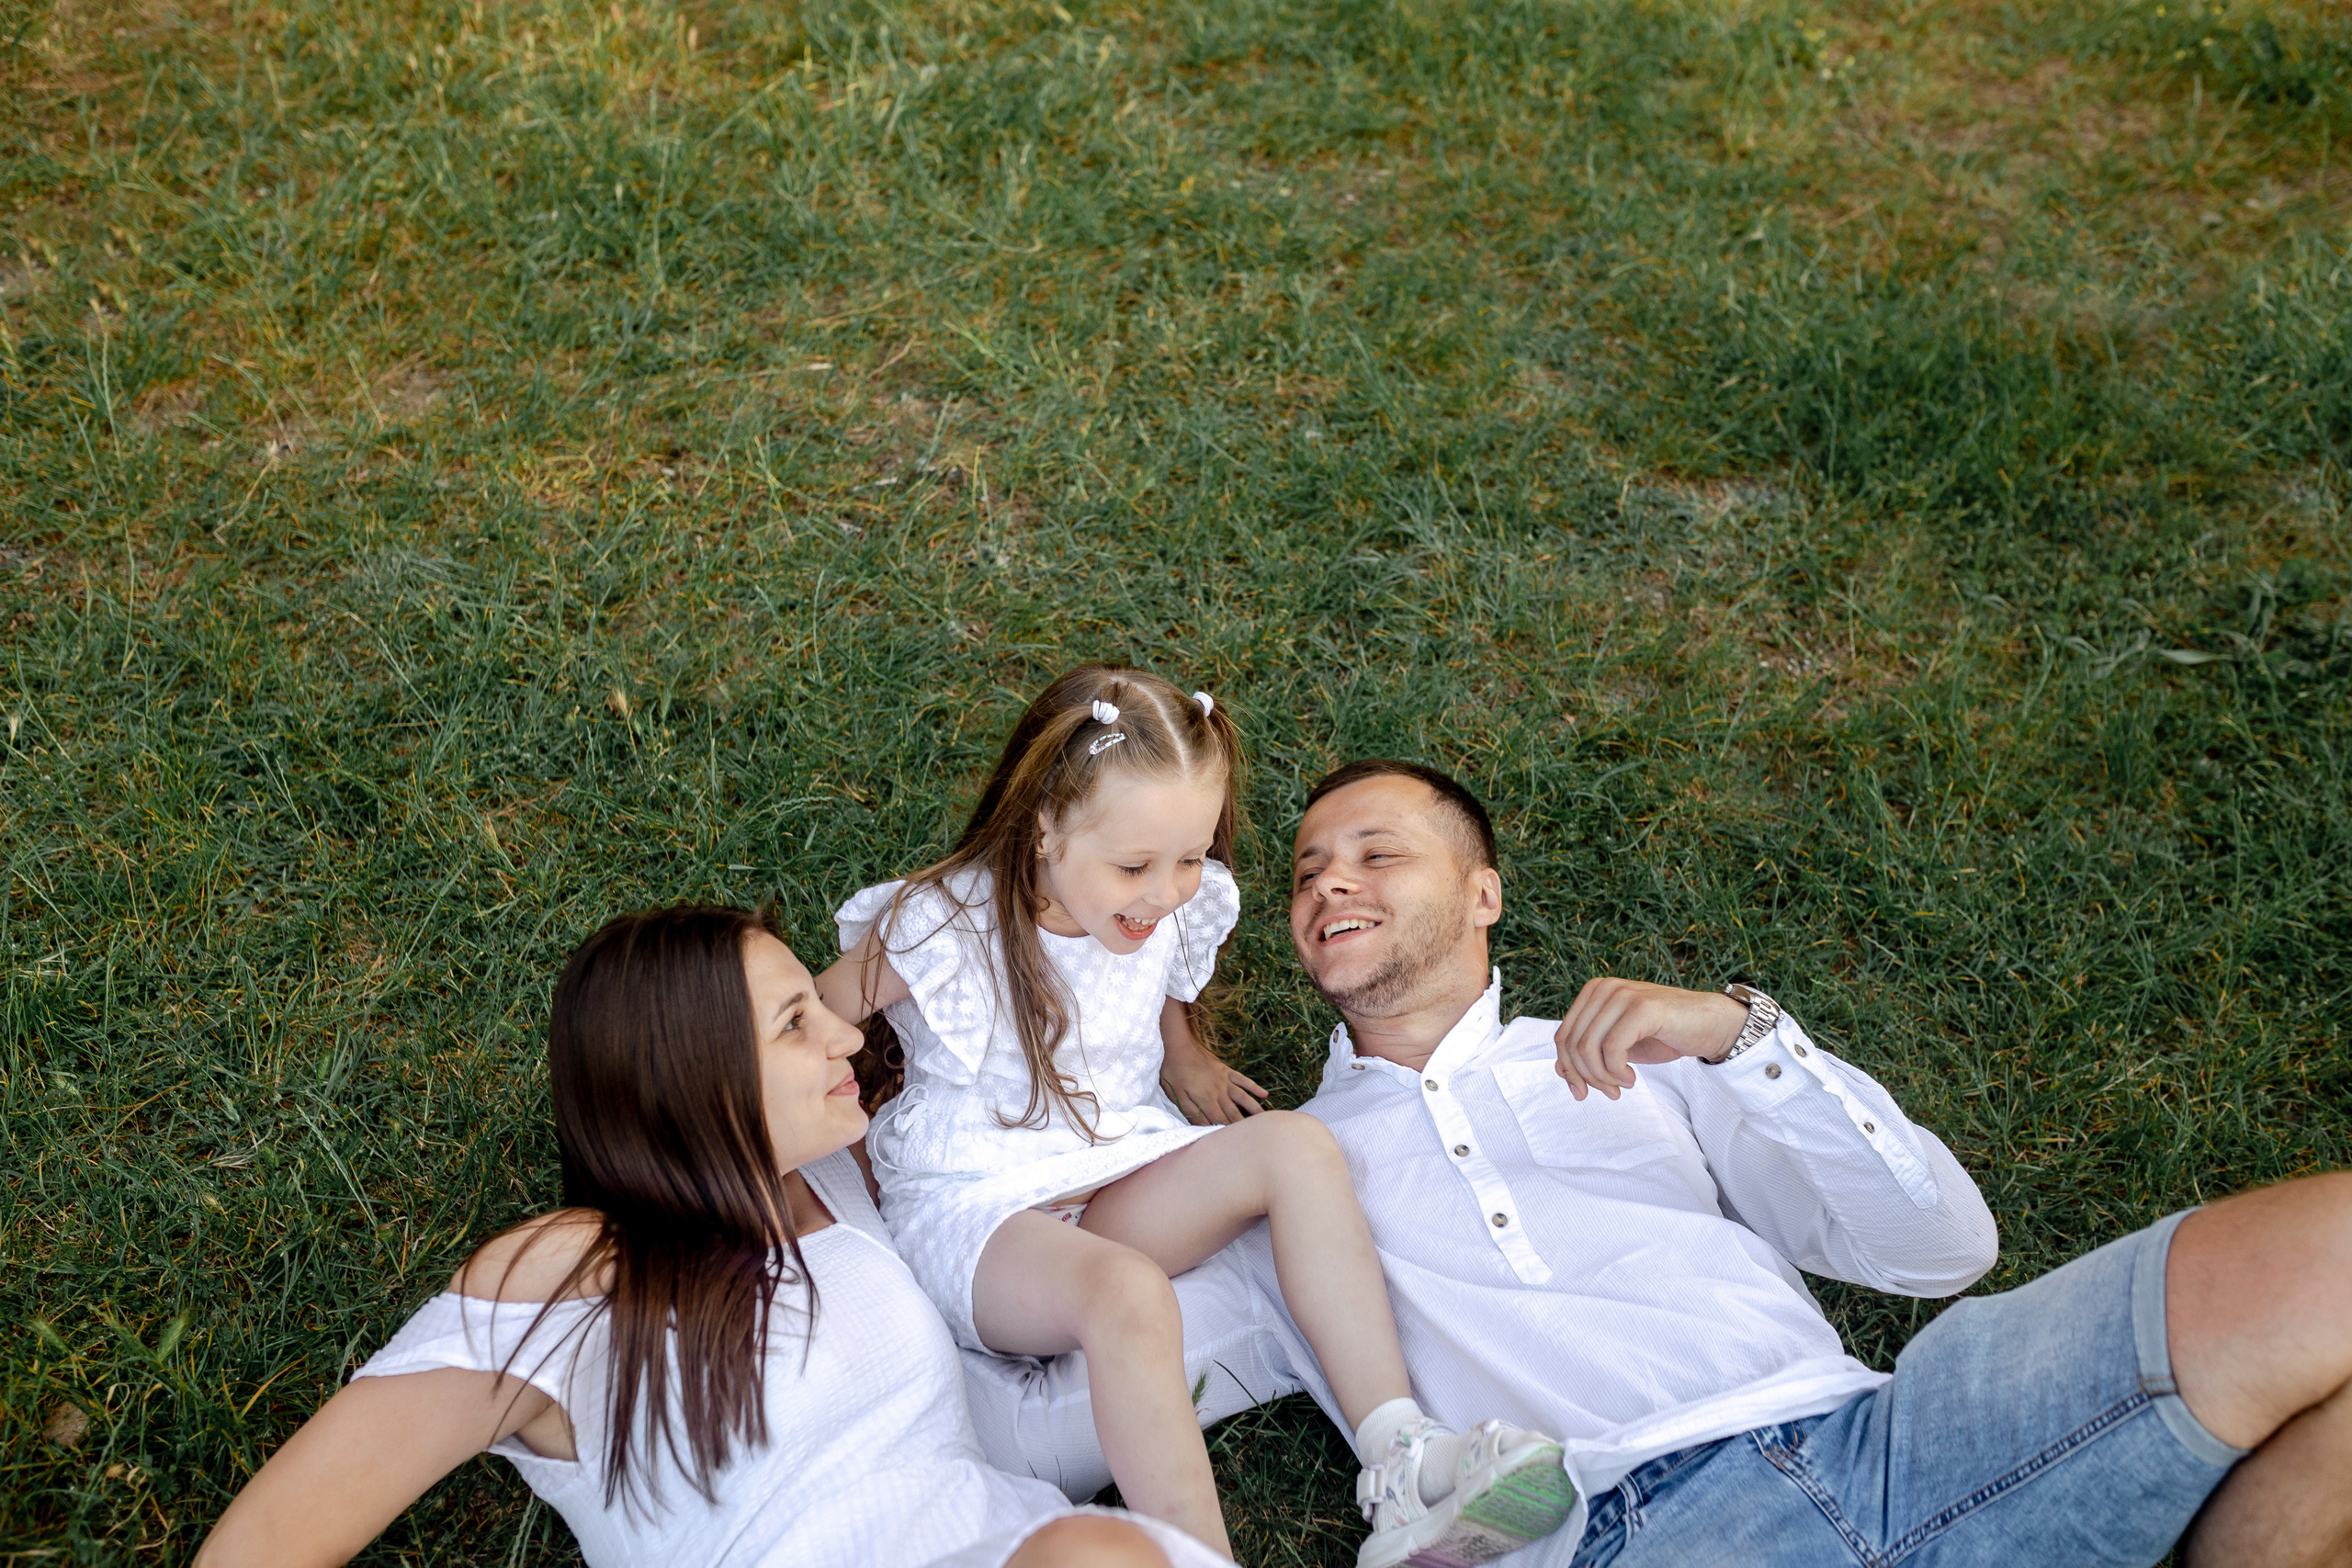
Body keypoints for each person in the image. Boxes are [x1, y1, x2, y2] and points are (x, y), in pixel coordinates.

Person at [973, 759, 2352, 1568]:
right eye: (1305, 872)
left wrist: (1746, 1035)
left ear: (1485, 893)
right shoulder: (1280, 1180)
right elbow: (1049, 1401)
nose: (1328, 882)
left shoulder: (1653, 1052)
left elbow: (1941, 1248)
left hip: (1883, 1438)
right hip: (1614, 1536)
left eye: (1376, 852)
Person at [192, 905, 1227, 1568]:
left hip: (1025, 1541)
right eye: (793, 1023)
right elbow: (269, 1543)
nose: (846, 1033)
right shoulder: (574, 1272)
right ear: (687, 1074)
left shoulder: (848, 1193)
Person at [816, 669, 1573, 1567]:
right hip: (979, 1214)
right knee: (1123, 1294)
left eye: (1190, 855)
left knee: (1296, 1146)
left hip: (1118, 1163)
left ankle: (1398, 1455)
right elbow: (811, 1018)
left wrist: (1185, 1057)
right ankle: (1194, 1556)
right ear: (1044, 830)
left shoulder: (1165, 901)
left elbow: (1153, 985)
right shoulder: (944, 921)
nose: (1168, 891)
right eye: (1135, 866)